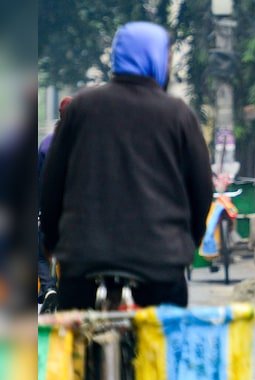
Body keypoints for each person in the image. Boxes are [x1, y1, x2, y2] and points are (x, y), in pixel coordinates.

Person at [40, 21, 213, 310]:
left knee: (72, 340)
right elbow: (201, 190)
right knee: (163, 339)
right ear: (157, 58)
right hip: (160, 256)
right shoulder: (178, 115)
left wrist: (54, 241)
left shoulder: (81, 108)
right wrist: (187, 242)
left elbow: (52, 184)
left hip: (82, 253)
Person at [37, 95, 72, 313]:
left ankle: (48, 287)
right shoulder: (88, 144)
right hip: (82, 219)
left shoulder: (47, 144)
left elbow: (39, 183)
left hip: (53, 215)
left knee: (38, 248)